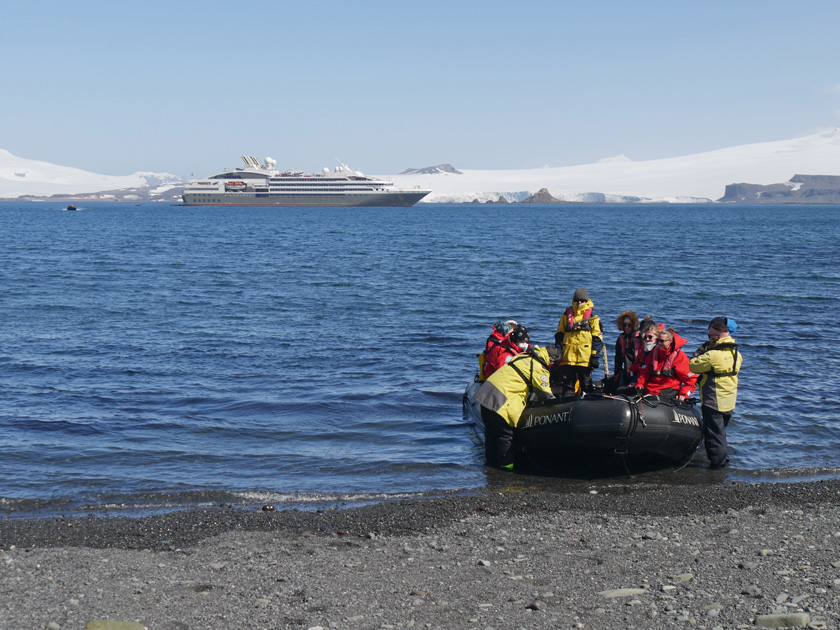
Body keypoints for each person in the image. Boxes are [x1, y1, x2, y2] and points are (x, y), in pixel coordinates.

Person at [473, 341, 558, 469]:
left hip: (485, 393)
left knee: (491, 433)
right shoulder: (539, 367)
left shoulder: (524, 356)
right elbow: (545, 395)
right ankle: (506, 468)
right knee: (505, 435)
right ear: (551, 361)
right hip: (500, 400)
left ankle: (490, 466)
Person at [689, 317, 743, 470]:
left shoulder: (712, 355)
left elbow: (693, 365)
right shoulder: (736, 353)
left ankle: (717, 465)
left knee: (713, 434)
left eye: (710, 337)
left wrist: (701, 349)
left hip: (713, 399)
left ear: (716, 337)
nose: (709, 339)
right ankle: (723, 459)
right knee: (721, 432)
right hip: (729, 399)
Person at [553, 288, 603, 398]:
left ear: (586, 300)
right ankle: (567, 409)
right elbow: (559, 334)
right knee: (568, 387)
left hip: (584, 359)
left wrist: (594, 356)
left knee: (586, 385)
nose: (579, 303)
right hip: (568, 358)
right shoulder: (566, 315)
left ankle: (590, 407)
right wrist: (558, 352)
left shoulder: (593, 317)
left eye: (582, 300)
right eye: (577, 300)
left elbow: (597, 338)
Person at [635, 327, 697, 400]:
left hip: (668, 391)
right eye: (658, 340)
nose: (659, 343)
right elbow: (644, 373)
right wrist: (640, 385)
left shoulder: (679, 356)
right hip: (651, 390)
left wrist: (683, 394)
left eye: (662, 341)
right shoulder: (653, 353)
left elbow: (691, 379)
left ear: (670, 341)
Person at [611, 310, 641, 392]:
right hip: (626, 372)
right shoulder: (621, 338)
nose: (627, 327)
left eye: (629, 325)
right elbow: (618, 359)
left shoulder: (639, 338)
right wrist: (617, 374)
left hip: (638, 372)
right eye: (625, 325)